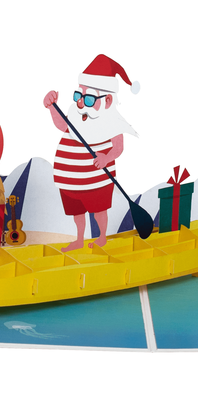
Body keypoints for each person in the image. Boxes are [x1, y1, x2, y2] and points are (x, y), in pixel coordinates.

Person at [43, 54, 140, 250]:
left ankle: (102, 237)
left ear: (107, 100)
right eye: (79, 96)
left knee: (99, 210)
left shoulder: (112, 120)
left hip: (96, 180)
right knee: (76, 211)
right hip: (70, 180)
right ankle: (79, 239)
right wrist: (52, 107)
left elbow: (118, 147)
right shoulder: (76, 113)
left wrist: (107, 158)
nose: (80, 103)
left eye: (88, 98)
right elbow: (63, 126)